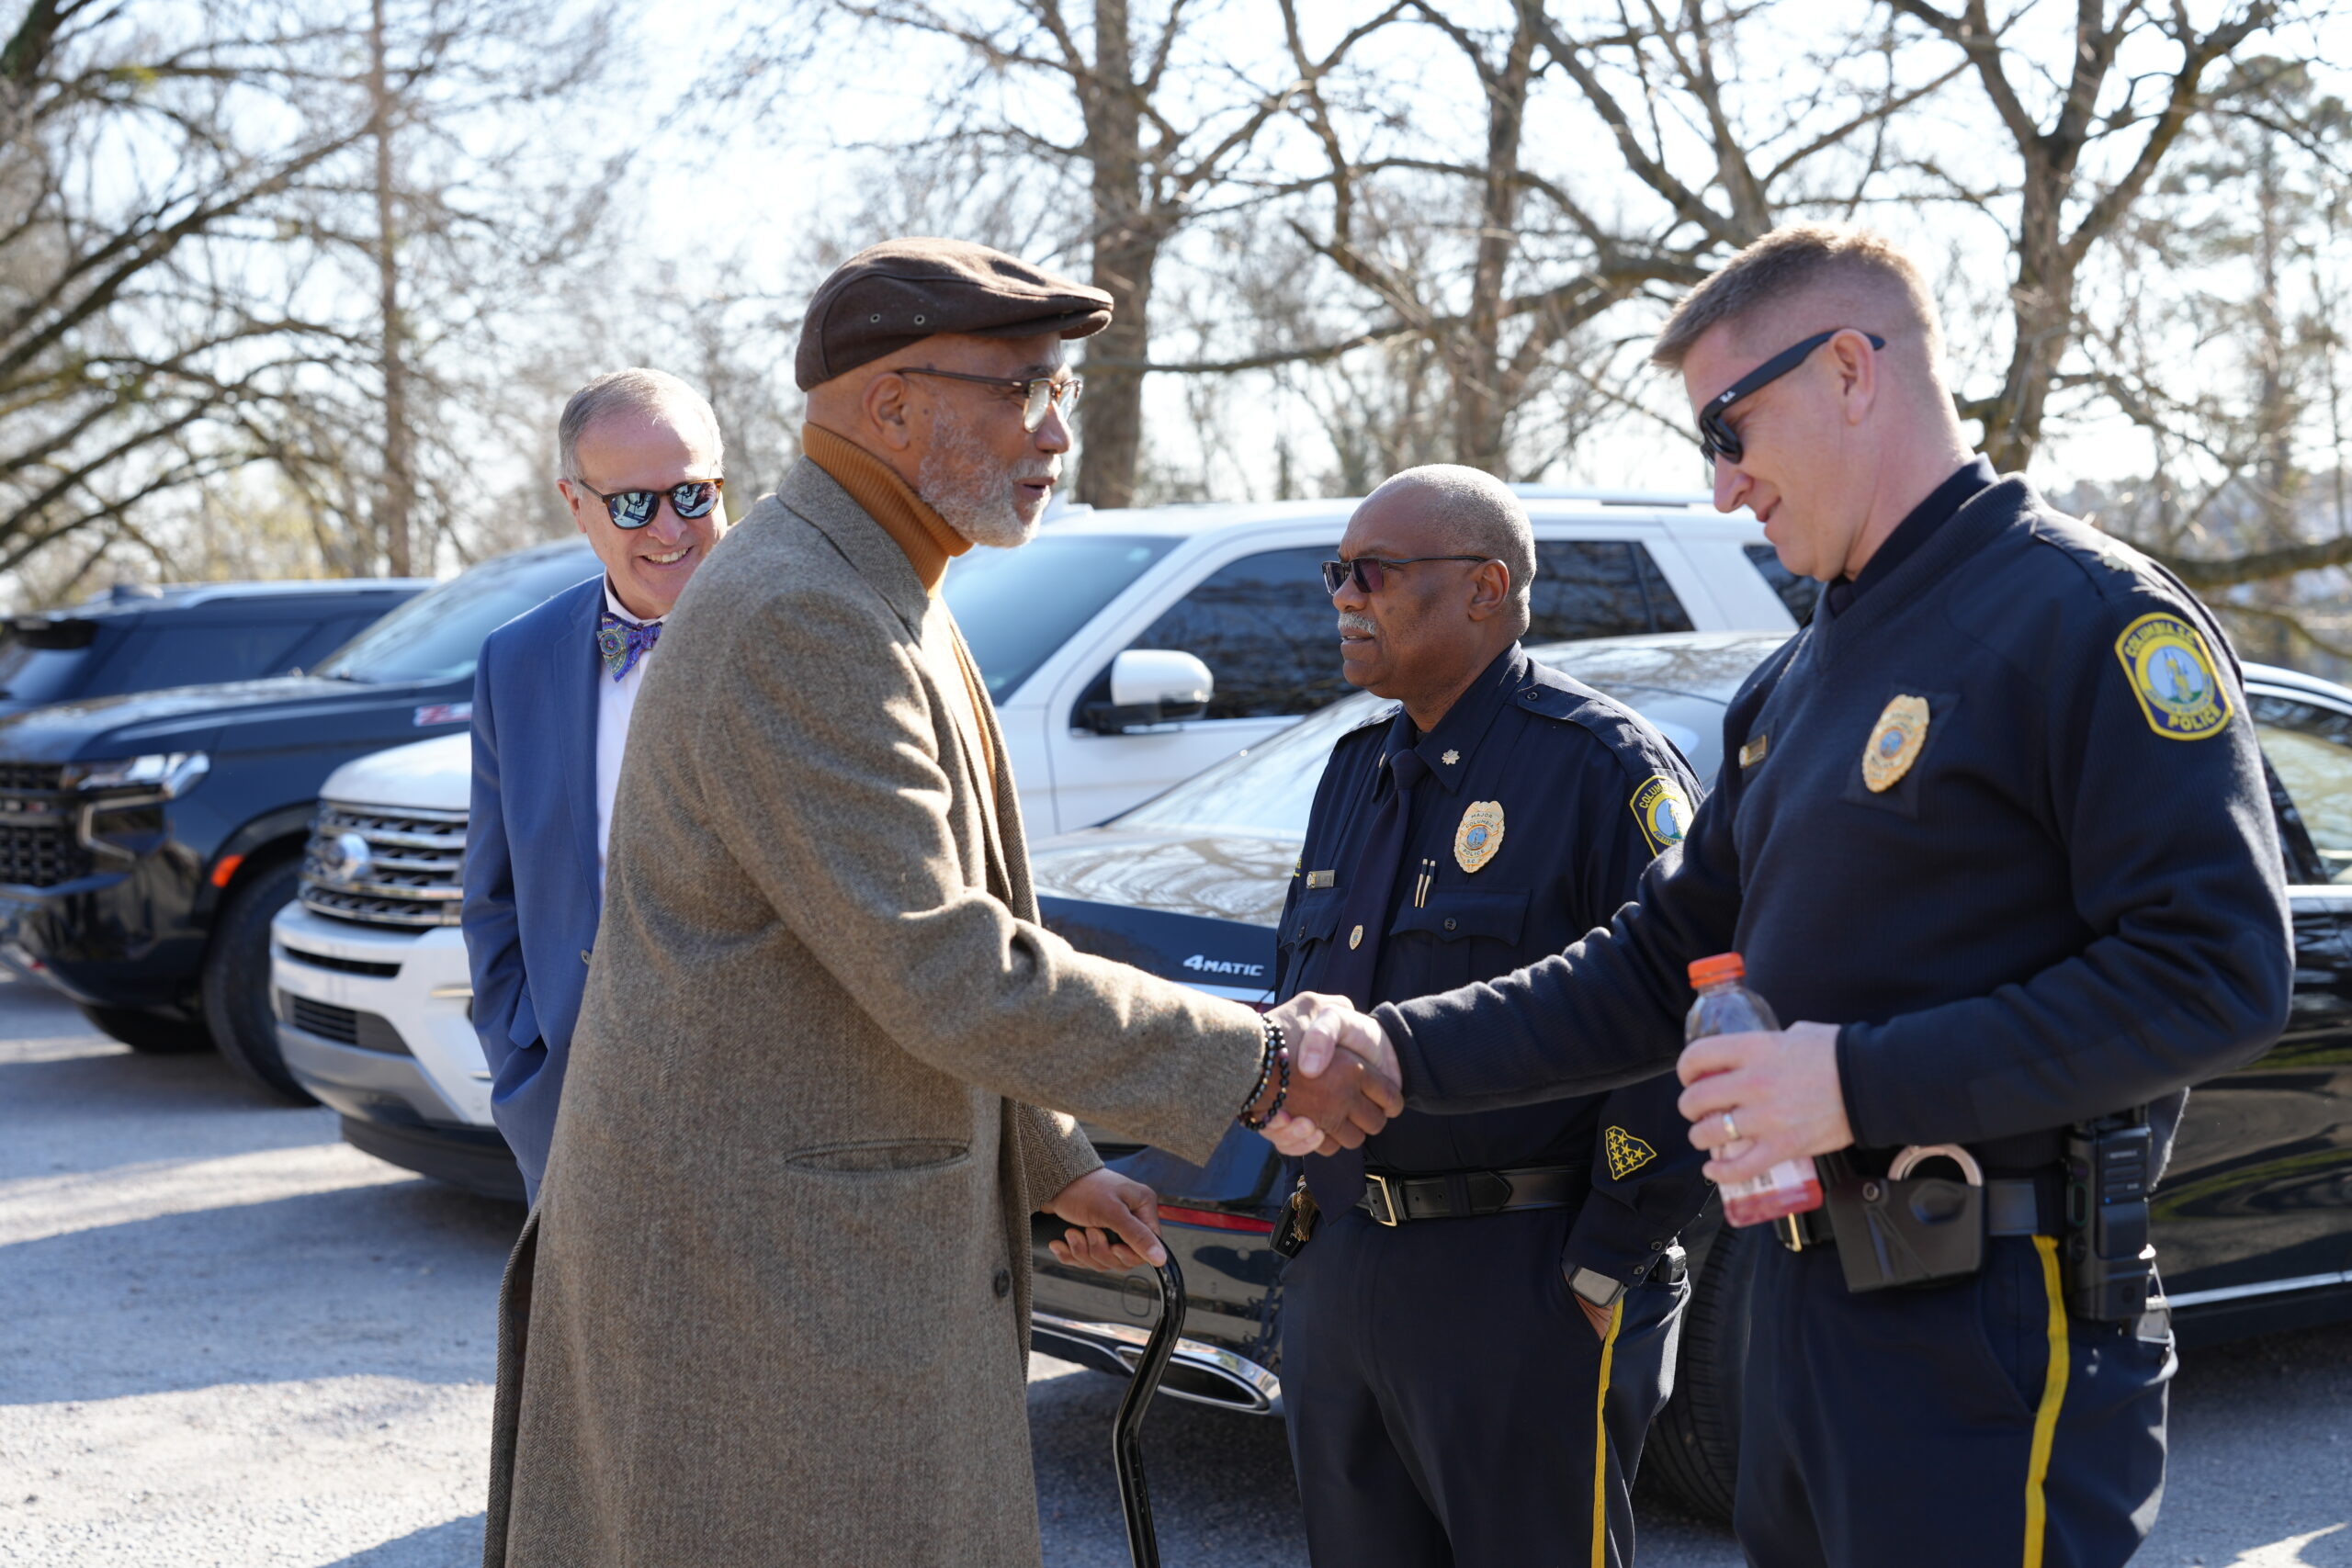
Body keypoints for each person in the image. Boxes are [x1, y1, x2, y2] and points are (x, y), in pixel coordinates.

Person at [1290, 225, 2293, 1567]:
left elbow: (2216, 971)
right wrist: (1391, 1049)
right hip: (1803, 1301)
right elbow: (1654, 959)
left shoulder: (2084, 617)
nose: (1722, 488)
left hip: (1997, 1314)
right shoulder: (1800, 677)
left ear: (1849, 370)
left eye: (1730, 428)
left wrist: (1852, 1083)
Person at [480, 238, 1397, 1568]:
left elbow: (902, 944)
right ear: (893, 406)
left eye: (1057, 388)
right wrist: (1255, 1061)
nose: (1056, 430)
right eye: (1021, 389)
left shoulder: (870, 579)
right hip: (765, 1300)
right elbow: (945, 962)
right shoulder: (805, 610)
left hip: (807, 1271)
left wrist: (1053, 1160)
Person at [1274, 465, 1711, 1567]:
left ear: (1484, 587)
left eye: (1373, 572)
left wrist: (1605, 1257)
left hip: (1522, 1272)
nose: (1344, 597)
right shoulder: (1354, 770)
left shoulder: (1600, 767)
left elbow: (1690, 1010)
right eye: (1336, 572)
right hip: (1348, 1262)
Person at [462, 367, 726, 1201]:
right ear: (576, 506)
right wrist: (524, 1078)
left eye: (690, 493)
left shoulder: (805, 633)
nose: (669, 528)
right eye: (633, 504)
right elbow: (494, 899)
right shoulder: (516, 660)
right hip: (580, 1119)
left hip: (770, 1123)